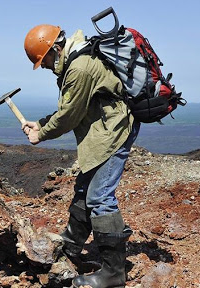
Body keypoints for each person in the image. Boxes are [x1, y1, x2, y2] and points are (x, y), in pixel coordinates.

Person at [21, 24, 140, 288]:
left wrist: (41, 134)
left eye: (45, 60)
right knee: (85, 188)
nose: (46, 67)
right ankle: (71, 246)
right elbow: (72, 107)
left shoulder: (79, 67)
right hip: (101, 130)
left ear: (55, 49)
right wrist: (40, 124)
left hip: (113, 132)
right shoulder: (75, 61)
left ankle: (113, 273)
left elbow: (69, 116)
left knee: (100, 197)